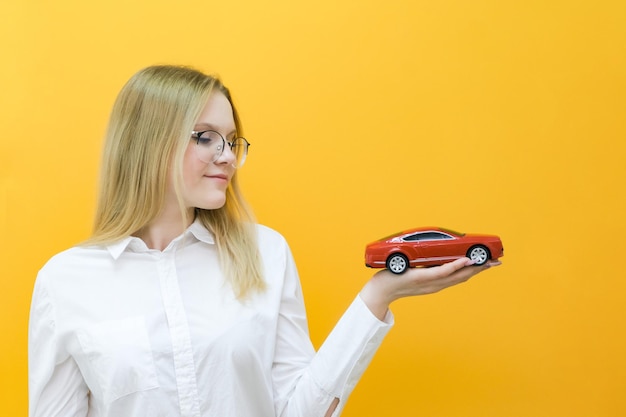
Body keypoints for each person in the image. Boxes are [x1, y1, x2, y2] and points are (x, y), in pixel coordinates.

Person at [28, 65, 500, 417]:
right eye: (206, 137)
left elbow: (300, 410)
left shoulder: (265, 254)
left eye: (232, 141)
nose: (227, 156)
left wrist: (379, 294)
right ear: (147, 142)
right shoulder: (65, 282)